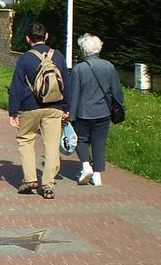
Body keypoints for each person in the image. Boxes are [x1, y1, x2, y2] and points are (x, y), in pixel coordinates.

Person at [8, 22, 70, 200]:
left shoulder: (25, 58)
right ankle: (49, 185)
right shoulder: (57, 56)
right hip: (54, 107)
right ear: (47, 36)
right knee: (51, 146)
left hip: (29, 107)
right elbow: (66, 82)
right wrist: (66, 108)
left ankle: (30, 179)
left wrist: (13, 112)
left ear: (28, 38)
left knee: (25, 139)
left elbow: (16, 87)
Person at [69, 33, 124, 187]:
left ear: (84, 51)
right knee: (99, 141)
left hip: (82, 113)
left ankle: (86, 166)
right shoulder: (109, 66)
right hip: (103, 112)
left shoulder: (78, 69)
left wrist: (70, 116)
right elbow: (117, 92)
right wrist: (117, 108)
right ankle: (97, 175)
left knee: (80, 139)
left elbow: (73, 95)